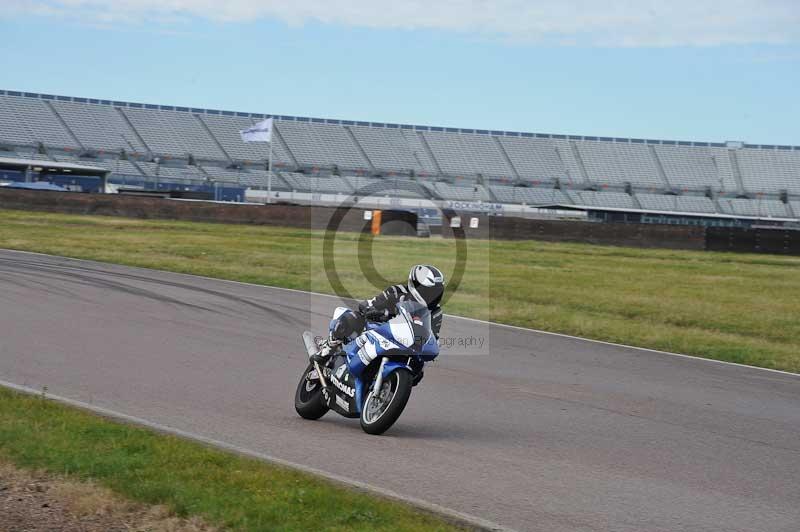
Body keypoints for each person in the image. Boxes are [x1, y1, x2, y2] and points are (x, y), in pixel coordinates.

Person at [314, 265, 445, 361]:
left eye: (437, 292)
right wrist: (375, 312)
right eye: (430, 292)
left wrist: (433, 346)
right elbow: (371, 304)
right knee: (353, 317)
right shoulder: (396, 292)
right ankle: (328, 347)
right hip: (378, 330)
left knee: (419, 369)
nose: (433, 296)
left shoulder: (436, 312)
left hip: (404, 344)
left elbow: (432, 336)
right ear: (415, 286)